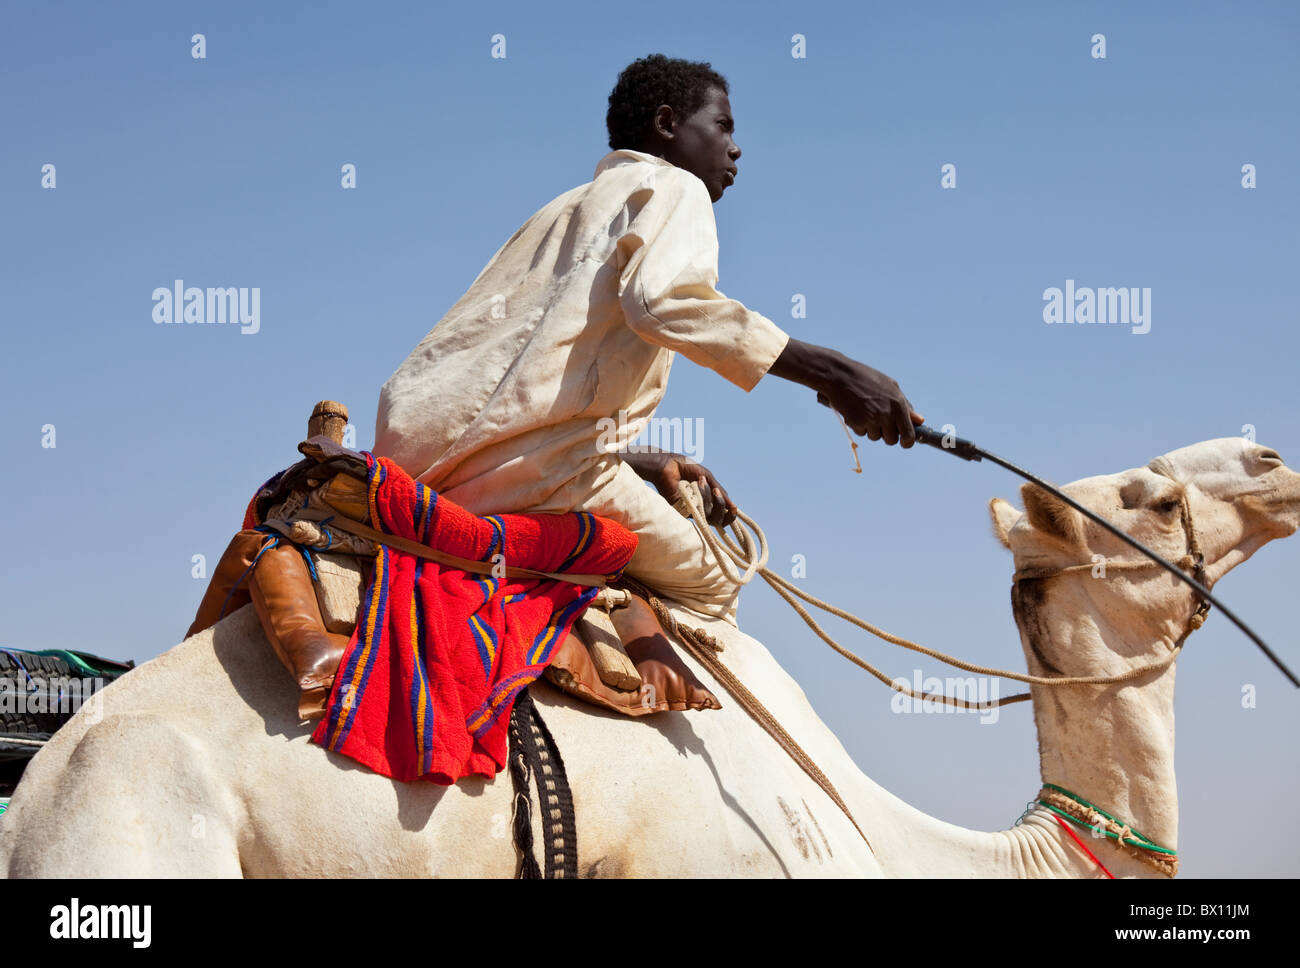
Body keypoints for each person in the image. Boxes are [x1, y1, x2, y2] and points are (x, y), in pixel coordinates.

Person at [373, 54, 923, 623]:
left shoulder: (560, 208)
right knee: (720, 582)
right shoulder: (673, 186)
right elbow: (662, 303)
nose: (736, 148)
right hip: (525, 483)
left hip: (414, 464)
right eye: (723, 126)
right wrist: (835, 373)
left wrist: (636, 459)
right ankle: (626, 629)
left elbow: (513, 399)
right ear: (666, 125)